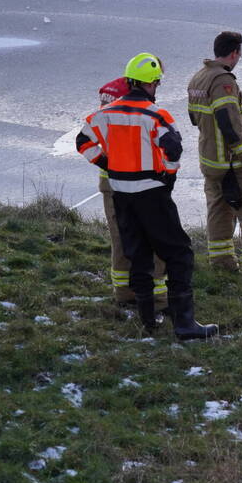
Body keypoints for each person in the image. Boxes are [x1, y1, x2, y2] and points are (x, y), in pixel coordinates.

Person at [77, 53, 217, 340]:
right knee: (180, 255)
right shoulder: (156, 115)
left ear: (129, 81)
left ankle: (147, 320)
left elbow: (82, 141)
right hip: (152, 194)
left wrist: (107, 163)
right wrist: (168, 175)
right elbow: (173, 149)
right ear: (152, 84)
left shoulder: (105, 114)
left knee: (137, 254)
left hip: (121, 194)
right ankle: (185, 324)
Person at [187, 31, 242, 279]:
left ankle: (222, 265)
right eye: (240, 53)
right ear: (234, 52)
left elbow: (195, 118)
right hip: (233, 162)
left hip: (210, 160)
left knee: (218, 209)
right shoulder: (223, 81)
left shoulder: (198, 78)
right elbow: (229, 122)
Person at [96, 76, 168, 312]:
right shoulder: (133, 104)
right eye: (155, 81)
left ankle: (124, 293)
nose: (156, 87)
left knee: (121, 239)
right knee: (154, 238)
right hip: (137, 182)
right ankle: (157, 300)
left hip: (111, 182)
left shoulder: (111, 96)